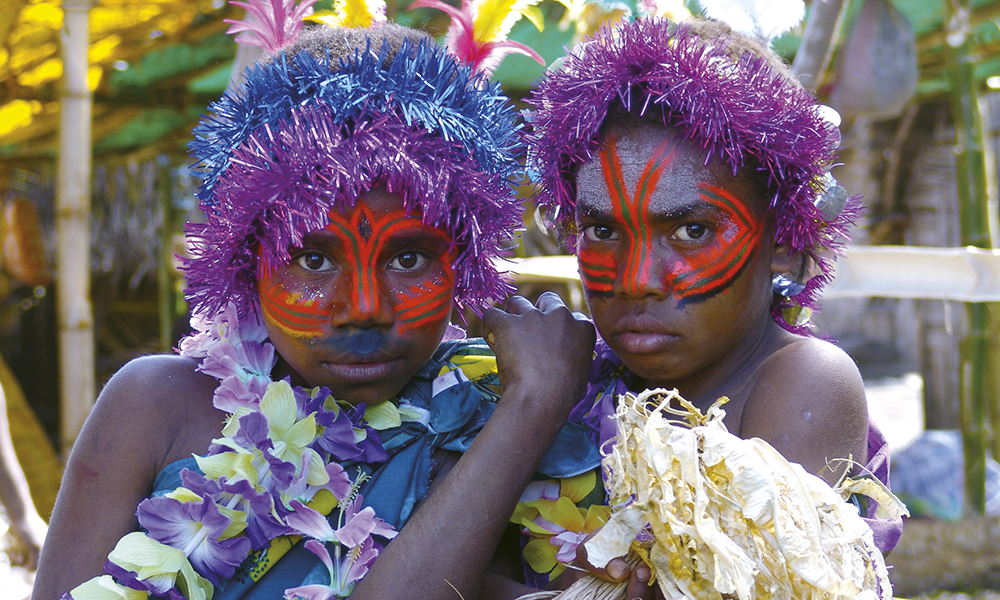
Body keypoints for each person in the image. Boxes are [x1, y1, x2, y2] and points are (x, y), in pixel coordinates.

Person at [33, 16, 599, 600]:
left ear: (467, 257)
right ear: (246, 258)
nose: (364, 309)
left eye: (408, 259)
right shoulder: (154, 406)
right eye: (312, 260)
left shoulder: (495, 416)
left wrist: (529, 406)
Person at [510, 14, 904, 595]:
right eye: (601, 230)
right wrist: (531, 398)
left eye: (692, 230)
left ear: (785, 244)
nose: (636, 280)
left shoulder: (803, 382)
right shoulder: (567, 383)